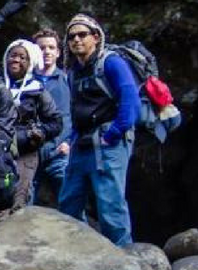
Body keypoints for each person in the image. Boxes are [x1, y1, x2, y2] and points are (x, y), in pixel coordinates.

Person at [60, 14, 139, 246]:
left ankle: (123, 258)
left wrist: (113, 133)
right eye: (71, 36)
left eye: (82, 34)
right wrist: (73, 138)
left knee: (110, 204)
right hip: (82, 142)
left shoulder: (111, 62)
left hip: (108, 142)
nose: (76, 40)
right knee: (69, 201)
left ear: (96, 37)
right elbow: (76, 109)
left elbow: (130, 100)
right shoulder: (74, 71)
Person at [2, 39, 62, 207]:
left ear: (30, 63)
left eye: (22, 58)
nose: (16, 60)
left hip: (25, 151)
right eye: (13, 56)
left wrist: (40, 133)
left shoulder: (37, 90)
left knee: (20, 197)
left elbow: (56, 122)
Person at [30, 28, 71, 206]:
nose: (46, 52)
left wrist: (70, 142)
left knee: (70, 201)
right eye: (41, 48)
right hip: (31, 152)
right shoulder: (26, 80)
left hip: (59, 152)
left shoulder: (67, 80)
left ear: (58, 52)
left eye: (51, 47)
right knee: (24, 202)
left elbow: (73, 115)